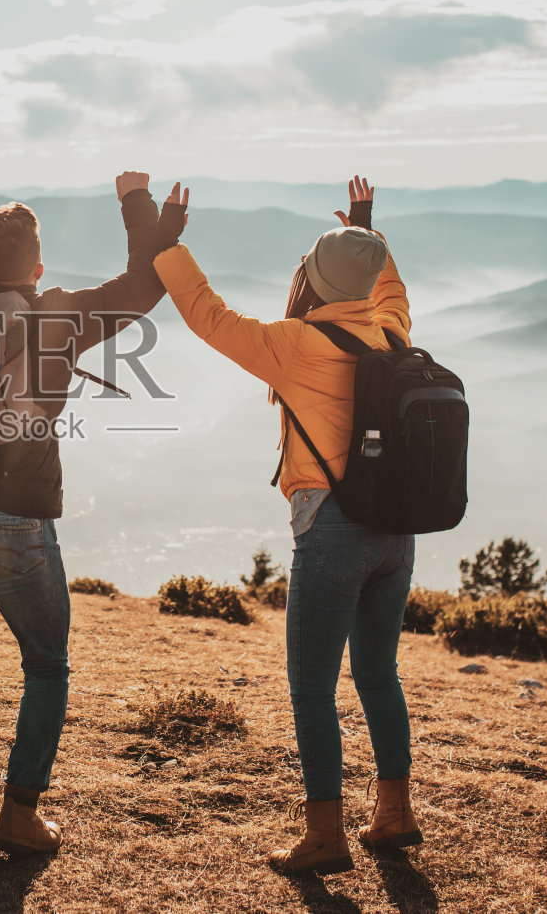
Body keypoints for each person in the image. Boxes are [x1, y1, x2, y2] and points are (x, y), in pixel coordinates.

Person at [0, 174, 187, 856]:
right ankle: (18, 815)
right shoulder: (59, 317)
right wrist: (138, 202)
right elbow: (146, 285)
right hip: (17, 519)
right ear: (39, 270)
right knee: (46, 667)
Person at [151, 176, 422, 876]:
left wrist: (167, 243)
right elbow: (388, 288)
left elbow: (209, 316)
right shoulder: (392, 329)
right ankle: (394, 816)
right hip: (398, 532)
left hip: (333, 531)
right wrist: (367, 234)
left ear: (312, 277)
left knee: (311, 687)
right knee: (378, 677)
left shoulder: (299, 343)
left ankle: (325, 835)